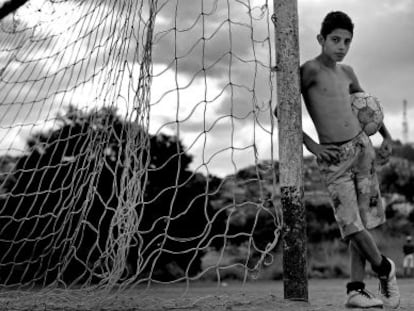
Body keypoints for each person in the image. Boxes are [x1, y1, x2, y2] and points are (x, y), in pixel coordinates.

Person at [299, 11, 400, 309]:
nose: (341, 46)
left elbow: (367, 109)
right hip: (333, 157)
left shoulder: (348, 73)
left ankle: (356, 291)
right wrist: (313, 146)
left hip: (362, 150)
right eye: (335, 40)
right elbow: (285, 111)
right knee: (349, 221)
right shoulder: (309, 71)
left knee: (363, 222)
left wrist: (387, 137)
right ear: (321, 39)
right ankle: (384, 268)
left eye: (347, 41)